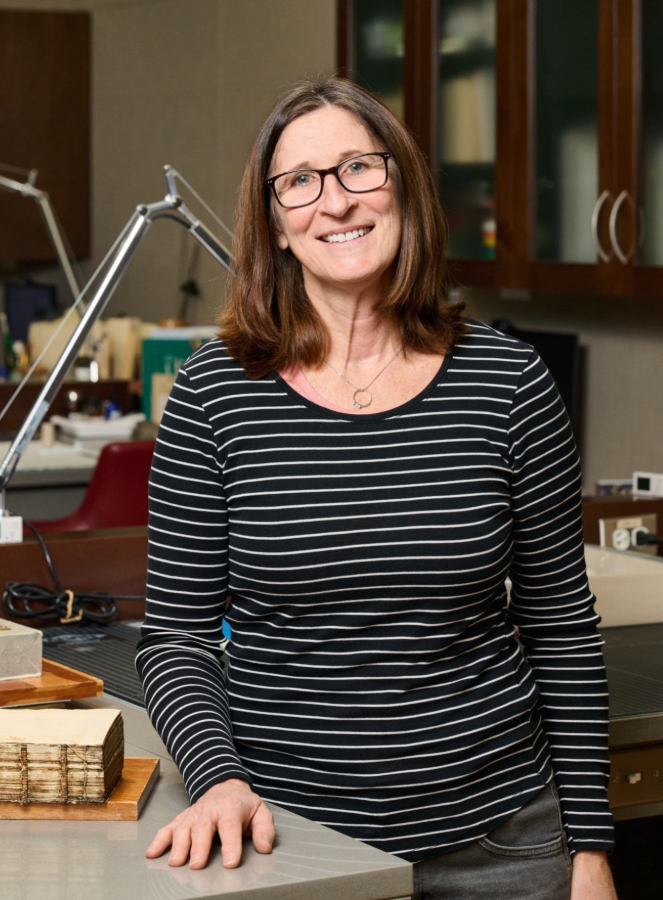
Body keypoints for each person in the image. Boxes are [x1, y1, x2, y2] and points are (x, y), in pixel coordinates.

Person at [136, 76, 618, 900]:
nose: (334, 201)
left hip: (503, 843)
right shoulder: (215, 394)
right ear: (278, 227)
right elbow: (176, 640)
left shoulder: (508, 382)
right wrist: (217, 779)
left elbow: (562, 632)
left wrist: (592, 853)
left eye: (360, 167)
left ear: (403, 188)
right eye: (300, 181)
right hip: (292, 844)